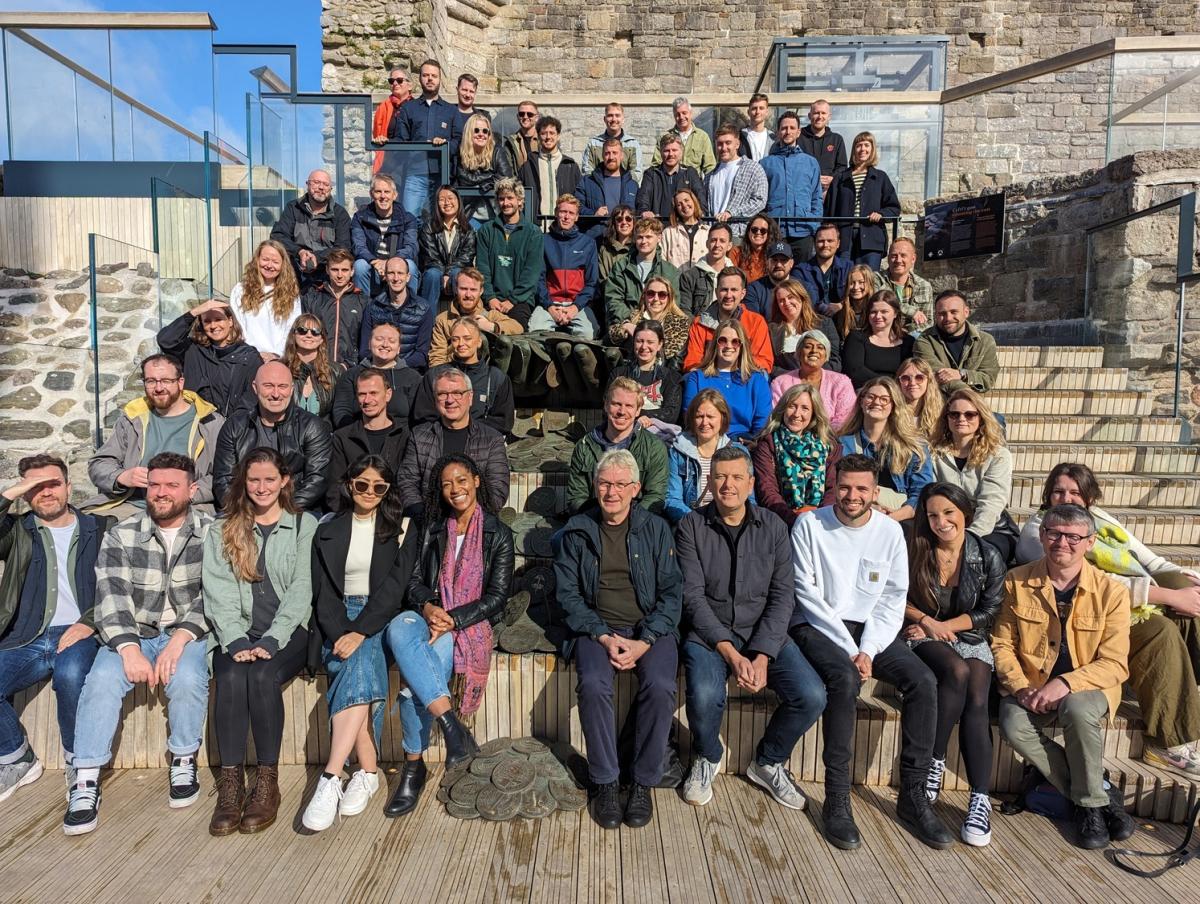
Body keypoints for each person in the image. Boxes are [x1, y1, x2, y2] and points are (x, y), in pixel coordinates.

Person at [789, 453, 953, 851]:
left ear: (875, 491)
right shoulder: (810, 524)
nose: (852, 495)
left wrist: (868, 648)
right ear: (834, 485)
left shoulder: (889, 532)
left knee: (923, 681)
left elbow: (892, 599)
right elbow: (807, 595)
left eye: (862, 488)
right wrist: (851, 650)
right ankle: (837, 798)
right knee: (843, 680)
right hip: (819, 626)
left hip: (872, 632)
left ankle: (913, 796)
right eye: (845, 486)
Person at [1016, 463, 1200, 778]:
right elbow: (1090, 585)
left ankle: (1185, 707)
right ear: (1047, 495)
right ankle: (1168, 743)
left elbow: (1151, 561)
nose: (1066, 498)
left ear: (1089, 498)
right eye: (1059, 491)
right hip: (1084, 618)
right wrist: (1169, 597)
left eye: (1075, 492)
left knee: (1192, 607)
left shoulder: (1101, 522)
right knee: (1160, 631)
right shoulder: (1040, 531)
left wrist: (1190, 585)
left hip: (1130, 602)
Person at [63, 453, 212, 836]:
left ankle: (183, 758)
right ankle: (86, 778)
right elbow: (111, 595)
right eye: (155, 485)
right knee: (101, 681)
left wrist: (179, 639)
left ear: (192, 490)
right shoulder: (122, 533)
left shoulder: (214, 533)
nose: (161, 493)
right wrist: (128, 649)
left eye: (172, 486)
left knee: (189, 676)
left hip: (187, 632)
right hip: (134, 633)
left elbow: (214, 595)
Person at [677, 445, 826, 810]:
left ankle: (769, 761)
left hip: (763, 631)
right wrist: (729, 653)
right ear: (709, 482)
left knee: (812, 695)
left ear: (751, 482)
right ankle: (707, 755)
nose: (728, 485)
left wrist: (761, 657)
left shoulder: (773, 527)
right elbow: (692, 598)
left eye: (736, 477)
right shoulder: (691, 526)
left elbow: (782, 596)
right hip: (709, 634)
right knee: (704, 693)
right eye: (720, 477)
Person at [993, 504, 1134, 850]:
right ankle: (1100, 793)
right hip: (1032, 683)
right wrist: (1020, 686)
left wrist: (1067, 682)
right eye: (1054, 533)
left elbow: (1115, 663)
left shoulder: (1112, 592)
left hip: (1090, 686)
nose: (1062, 542)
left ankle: (1087, 807)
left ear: (1090, 542)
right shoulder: (1017, 581)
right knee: (1012, 722)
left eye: (1073, 537)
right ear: (1042, 536)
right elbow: (1001, 643)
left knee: (1077, 708)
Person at [556, 449, 682, 830]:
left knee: (660, 686)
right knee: (593, 686)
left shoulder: (656, 529)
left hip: (651, 629)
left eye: (620, 484)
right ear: (595, 487)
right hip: (597, 629)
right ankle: (606, 781)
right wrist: (602, 636)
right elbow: (568, 596)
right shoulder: (578, 530)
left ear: (636, 489)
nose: (612, 492)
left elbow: (672, 593)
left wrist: (646, 640)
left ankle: (643, 782)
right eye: (605, 483)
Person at [384, 454, 513, 817]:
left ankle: (413, 765)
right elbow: (411, 580)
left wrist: (453, 619)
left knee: (413, 689)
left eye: (461, 480)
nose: (454, 489)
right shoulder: (430, 525)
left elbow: (497, 597)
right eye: (446, 484)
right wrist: (428, 608)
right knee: (397, 627)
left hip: (466, 623)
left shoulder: (498, 534)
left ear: (475, 480)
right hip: (427, 615)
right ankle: (451, 724)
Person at [202, 448, 316, 836]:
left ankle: (267, 781)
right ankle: (231, 786)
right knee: (233, 678)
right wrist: (234, 639)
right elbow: (217, 589)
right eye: (254, 480)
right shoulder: (223, 529)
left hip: (288, 633)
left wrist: (272, 637)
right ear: (244, 483)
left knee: (263, 676)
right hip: (237, 632)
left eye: (270, 479)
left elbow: (302, 590)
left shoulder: (303, 525)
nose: (262, 487)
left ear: (284, 480)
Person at [303, 457, 418, 831]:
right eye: (362, 484)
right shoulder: (327, 528)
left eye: (379, 487)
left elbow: (394, 590)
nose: (370, 492)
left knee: (361, 658)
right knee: (359, 671)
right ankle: (368, 770)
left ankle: (331, 775)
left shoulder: (402, 528)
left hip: (378, 618)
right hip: (336, 619)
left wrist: (361, 631)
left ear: (388, 491)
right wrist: (340, 632)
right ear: (349, 484)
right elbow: (323, 594)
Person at [902, 483, 1005, 846]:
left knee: (978, 695)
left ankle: (980, 797)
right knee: (957, 672)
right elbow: (894, 594)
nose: (941, 522)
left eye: (948, 513)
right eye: (932, 515)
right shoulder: (914, 546)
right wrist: (930, 623)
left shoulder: (986, 554)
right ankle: (934, 761)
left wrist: (949, 626)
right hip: (920, 632)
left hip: (969, 636)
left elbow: (989, 610)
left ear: (965, 513)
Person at [0, 455, 106, 803]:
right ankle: (17, 757)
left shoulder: (99, 528)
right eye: (35, 486)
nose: (46, 492)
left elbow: (121, 585)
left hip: (79, 632)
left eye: (53, 483)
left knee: (71, 675)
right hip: (26, 636)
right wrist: (11, 493)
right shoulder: (17, 531)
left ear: (69, 486)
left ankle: (80, 762)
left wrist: (89, 621)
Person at [85, 353, 223, 517]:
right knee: (86, 526)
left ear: (180, 382)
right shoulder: (132, 419)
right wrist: (121, 477)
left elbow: (225, 474)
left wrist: (189, 492)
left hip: (188, 507)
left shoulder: (210, 422)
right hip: (133, 505)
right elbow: (99, 463)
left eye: (166, 380)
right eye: (151, 381)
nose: (158, 388)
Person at [212, 361, 333, 512]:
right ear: (255, 388)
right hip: (243, 512)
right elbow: (223, 480)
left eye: (282, 386)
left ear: (291, 389)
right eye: (268, 386)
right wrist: (246, 512)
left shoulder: (312, 426)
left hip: (294, 510)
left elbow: (317, 480)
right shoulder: (235, 426)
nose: (276, 394)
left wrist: (279, 512)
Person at [398, 366, 510, 519]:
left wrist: (467, 517)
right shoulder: (419, 436)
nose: (450, 400)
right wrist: (425, 516)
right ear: (435, 399)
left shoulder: (492, 439)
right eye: (443, 394)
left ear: (470, 397)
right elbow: (407, 482)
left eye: (457, 393)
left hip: (476, 524)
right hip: (427, 523)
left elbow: (498, 490)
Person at [929, 389, 1015, 561]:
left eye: (970, 415)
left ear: (980, 418)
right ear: (946, 418)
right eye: (954, 414)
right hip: (945, 522)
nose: (961, 419)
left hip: (991, 527)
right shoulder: (933, 454)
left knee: (979, 555)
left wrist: (968, 537)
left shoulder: (998, 455)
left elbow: (991, 504)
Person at [565, 377, 669, 515]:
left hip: (638, 524)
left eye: (629, 406)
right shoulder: (584, 447)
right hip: (592, 521)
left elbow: (655, 497)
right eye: (616, 404)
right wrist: (604, 520)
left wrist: (625, 521)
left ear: (638, 410)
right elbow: (576, 499)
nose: (622, 411)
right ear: (606, 405)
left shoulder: (654, 448)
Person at [838, 377, 933, 524]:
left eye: (884, 399)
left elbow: (922, 490)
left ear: (893, 405)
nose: (876, 403)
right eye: (871, 397)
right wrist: (869, 510)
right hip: (855, 513)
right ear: (861, 401)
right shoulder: (843, 444)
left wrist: (894, 517)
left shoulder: (915, 447)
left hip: (901, 517)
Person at [752, 383, 841, 526]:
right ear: (782, 409)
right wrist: (796, 520)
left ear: (813, 413)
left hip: (822, 522)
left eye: (805, 408)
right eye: (792, 406)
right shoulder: (767, 444)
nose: (796, 414)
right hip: (782, 522)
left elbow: (833, 487)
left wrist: (821, 519)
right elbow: (767, 491)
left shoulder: (829, 446)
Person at [156, 299, 260, 417]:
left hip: (232, 427)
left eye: (218, 319)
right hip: (196, 423)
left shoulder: (248, 356)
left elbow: (252, 398)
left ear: (230, 321)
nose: (213, 326)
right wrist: (194, 312)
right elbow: (165, 340)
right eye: (207, 321)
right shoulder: (192, 350)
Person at [326, 368, 411, 512]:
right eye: (362, 394)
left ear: (388, 394)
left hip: (394, 516)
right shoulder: (343, 437)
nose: (367, 400)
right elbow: (335, 488)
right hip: (353, 516)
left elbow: (407, 485)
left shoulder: (405, 436)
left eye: (373, 393)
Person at [413, 317, 514, 435]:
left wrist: (468, 429)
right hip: (441, 441)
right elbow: (422, 416)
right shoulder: (435, 375)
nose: (461, 344)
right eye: (455, 339)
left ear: (479, 342)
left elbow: (504, 422)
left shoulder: (497, 378)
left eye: (467, 338)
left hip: (482, 444)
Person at [663, 389, 745, 524]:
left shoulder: (738, 453)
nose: (704, 422)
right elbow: (672, 499)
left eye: (710, 417)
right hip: (692, 522)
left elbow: (748, 497)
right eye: (699, 416)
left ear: (722, 418)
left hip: (730, 522)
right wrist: (699, 523)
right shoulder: (678, 452)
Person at [681, 320, 771, 444]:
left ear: (742, 346)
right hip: (705, 441)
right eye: (722, 340)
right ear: (715, 344)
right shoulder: (697, 378)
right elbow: (690, 417)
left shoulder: (757, 380)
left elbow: (762, 424)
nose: (729, 346)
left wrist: (748, 442)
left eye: (735, 342)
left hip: (744, 444)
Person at [476, 177, 544, 330]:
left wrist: (512, 300)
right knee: (477, 327)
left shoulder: (533, 233)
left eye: (510, 198)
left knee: (516, 331)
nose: (505, 203)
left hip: (520, 301)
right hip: (491, 300)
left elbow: (531, 274)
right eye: (501, 199)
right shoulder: (486, 231)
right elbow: (482, 268)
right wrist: (490, 297)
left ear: (520, 201)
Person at [825, 131, 900, 271]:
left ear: (872, 149)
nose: (863, 149)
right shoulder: (840, 178)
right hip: (843, 239)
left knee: (869, 281)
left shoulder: (880, 178)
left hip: (871, 239)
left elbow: (894, 208)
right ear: (854, 149)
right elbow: (829, 210)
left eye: (867, 145)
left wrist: (881, 214)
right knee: (842, 280)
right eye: (859, 145)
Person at [391, 59, 455, 217]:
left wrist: (445, 145)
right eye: (426, 75)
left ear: (440, 79)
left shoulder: (451, 111)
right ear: (419, 78)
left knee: (441, 220)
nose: (430, 79)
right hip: (415, 173)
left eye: (434, 75)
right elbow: (400, 141)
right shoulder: (408, 108)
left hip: (443, 175)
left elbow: (458, 142)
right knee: (410, 218)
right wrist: (384, 142)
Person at [331, 322, 422, 430]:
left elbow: (418, 416)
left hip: (402, 439)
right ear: (369, 343)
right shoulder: (351, 375)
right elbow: (341, 411)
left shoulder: (413, 378)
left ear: (398, 348)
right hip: (358, 437)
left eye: (392, 341)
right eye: (379, 339)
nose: (385, 344)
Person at [531, 194, 600, 337]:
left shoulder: (588, 243)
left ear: (577, 217)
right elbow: (539, 279)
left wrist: (576, 307)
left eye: (571, 213)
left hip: (577, 305)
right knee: (535, 330)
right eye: (563, 212)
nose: (566, 217)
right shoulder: (544, 241)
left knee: (588, 333)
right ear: (556, 213)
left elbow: (592, 283)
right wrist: (549, 306)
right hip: (550, 304)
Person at [269, 169, 352, 287]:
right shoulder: (293, 208)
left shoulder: (339, 214)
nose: (321, 187)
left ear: (330, 189)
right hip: (296, 267)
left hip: (327, 269)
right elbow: (278, 236)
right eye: (317, 182)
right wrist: (300, 252)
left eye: (326, 184)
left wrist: (317, 258)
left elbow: (343, 246)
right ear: (307, 184)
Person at [683, 267, 773, 374]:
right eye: (724, 290)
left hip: (743, 378)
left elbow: (764, 362)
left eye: (734, 290)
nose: (728, 295)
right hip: (710, 377)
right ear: (716, 292)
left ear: (743, 294)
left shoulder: (756, 322)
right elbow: (692, 362)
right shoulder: (700, 323)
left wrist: (732, 366)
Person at [760, 112, 823, 263]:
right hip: (775, 231)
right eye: (784, 128)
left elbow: (816, 197)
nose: (788, 132)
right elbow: (760, 199)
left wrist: (814, 225)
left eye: (792, 128)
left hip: (803, 230)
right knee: (775, 275)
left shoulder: (811, 163)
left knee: (802, 278)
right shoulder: (765, 164)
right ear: (777, 132)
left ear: (798, 132)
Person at [428, 268, 523, 367]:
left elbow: (517, 327)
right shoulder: (443, 320)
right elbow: (436, 358)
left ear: (481, 291)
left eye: (473, 290)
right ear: (456, 289)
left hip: (483, 374)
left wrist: (491, 326)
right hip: (453, 372)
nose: (468, 295)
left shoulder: (490, 315)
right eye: (463, 289)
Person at [604, 219, 681, 338]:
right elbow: (613, 299)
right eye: (640, 237)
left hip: (658, 326)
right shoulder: (621, 266)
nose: (643, 241)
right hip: (626, 324)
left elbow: (674, 303)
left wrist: (651, 325)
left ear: (659, 238)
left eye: (648, 237)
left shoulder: (670, 271)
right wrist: (632, 321)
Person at [914, 291, 1000, 395]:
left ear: (966, 312)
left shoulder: (985, 341)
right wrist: (968, 397)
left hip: (971, 409)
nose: (948, 318)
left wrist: (962, 374)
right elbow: (939, 376)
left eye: (954, 312)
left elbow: (988, 379)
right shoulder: (924, 340)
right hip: (937, 406)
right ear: (935, 315)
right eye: (942, 314)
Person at [228, 240, 302, 359]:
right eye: (265, 259)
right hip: (247, 357)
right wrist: (252, 353)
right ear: (257, 260)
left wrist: (276, 354)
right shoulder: (240, 290)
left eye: (275, 262)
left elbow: (292, 327)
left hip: (278, 359)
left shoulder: (291, 294)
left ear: (283, 265)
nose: (269, 265)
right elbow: (237, 325)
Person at [768, 329, 856, 430]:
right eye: (808, 346)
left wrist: (819, 438)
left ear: (826, 355)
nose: (814, 351)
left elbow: (844, 420)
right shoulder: (780, 382)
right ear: (799, 353)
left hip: (831, 440)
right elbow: (776, 416)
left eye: (820, 347)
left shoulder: (841, 383)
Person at [350, 174, 420, 299]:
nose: (383, 196)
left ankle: (410, 310)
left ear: (394, 195)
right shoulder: (360, 217)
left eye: (387, 192)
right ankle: (363, 310)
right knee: (359, 266)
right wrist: (374, 261)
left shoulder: (408, 219)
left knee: (411, 266)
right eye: (378, 192)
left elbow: (411, 247)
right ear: (372, 194)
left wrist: (391, 263)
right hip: (372, 266)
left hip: (396, 267)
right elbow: (358, 246)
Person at [357, 256, 435, 368]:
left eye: (400, 273)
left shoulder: (423, 309)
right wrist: (382, 365)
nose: (396, 278)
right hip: (377, 369)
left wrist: (397, 367)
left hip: (409, 371)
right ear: (385, 276)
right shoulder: (373, 307)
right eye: (391, 273)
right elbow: (364, 350)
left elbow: (422, 354)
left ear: (408, 277)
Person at [608, 320, 683, 431]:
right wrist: (638, 416)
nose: (644, 346)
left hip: (657, 436)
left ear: (660, 344)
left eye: (650, 342)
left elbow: (671, 414)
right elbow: (608, 407)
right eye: (639, 341)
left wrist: (642, 416)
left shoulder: (672, 377)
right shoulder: (619, 374)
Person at [302, 248, 366, 368]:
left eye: (345, 270)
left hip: (349, 368)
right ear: (327, 270)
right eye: (335, 270)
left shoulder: (362, 301)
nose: (340, 275)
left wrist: (350, 364)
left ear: (352, 271)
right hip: (318, 366)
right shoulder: (312, 298)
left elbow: (364, 342)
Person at [607, 276, 691, 370]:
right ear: (644, 296)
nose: (656, 299)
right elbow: (612, 337)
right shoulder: (634, 317)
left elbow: (676, 361)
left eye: (662, 294)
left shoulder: (680, 322)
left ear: (669, 298)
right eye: (651, 293)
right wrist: (626, 326)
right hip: (632, 370)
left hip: (664, 373)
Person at [841, 289, 916, 389]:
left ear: (895, 314)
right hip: (865, 392)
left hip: (899, 394)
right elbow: (855, 371)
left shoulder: (908, 342)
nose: (878, 316)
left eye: (884, 311)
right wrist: (888, 385)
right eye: (873, 312)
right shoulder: (856, 338)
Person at [517, 115, 582, 228]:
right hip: (536, 228)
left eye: (552, 133)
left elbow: (579, 198)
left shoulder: (571, 166)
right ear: (538, 135)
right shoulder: (527, 167)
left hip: (564, 228)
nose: (548, 137)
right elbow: (519, 198)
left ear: (558, 136)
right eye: (543, 133)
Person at [767, 279, 842, 376]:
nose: (786, 302)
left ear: (801, 298)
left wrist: (811, 375)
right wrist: (794, 377)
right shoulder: (771, 330)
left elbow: (835, 362)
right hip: (787, 384)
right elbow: (770, 365)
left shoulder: (825, 323)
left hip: (820, 381)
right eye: (781, 300)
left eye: (791, 297)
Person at [705, 124, 767, 240]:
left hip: (738, 233)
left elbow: (760, 200)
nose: (723, 148)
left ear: (737, 144)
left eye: (728, 143)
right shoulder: (710, 175)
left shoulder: (753, 169)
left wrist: (732, 212)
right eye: (720, 144)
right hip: (713, 235)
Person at [417, 185, 477, 305]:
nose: (447, 202)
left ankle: (461, 318)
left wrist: (448, 273)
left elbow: (466, 257)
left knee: (458, 274)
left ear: (458, 201)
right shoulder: (428, 227)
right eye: (442, 199)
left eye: (450, 198)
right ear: (437, 204)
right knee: (432, 274)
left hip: (455, 272)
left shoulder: (468, 229)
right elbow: (431, 257)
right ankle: (428, 320)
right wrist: (443, 274)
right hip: (435, 272)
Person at [452, 112, 513, 225]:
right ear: (469, 133)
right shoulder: (461, 153)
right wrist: (491, 177)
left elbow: (506, 178)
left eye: (485, 131)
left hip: (496, 213)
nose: (481, 134)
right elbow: (464, 179)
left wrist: (486, 184)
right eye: (476, 130)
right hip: (470, 213)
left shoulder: (497, 151)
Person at [281, 313, 341, 420]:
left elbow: (339, 412)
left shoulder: (336, 371)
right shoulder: (280, 368)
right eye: (302, 330)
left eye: (315, 332)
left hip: (323, 434)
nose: (309, 335)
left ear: (322, 339)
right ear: (293, 335)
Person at [577, 137, 639, 241]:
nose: (611, 157)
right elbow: (577, 206)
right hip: (595, 238)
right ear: (602, 156)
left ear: (622, 156)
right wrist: (593, 214)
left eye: (615, 153)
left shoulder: (632, 185)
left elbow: (638, 211)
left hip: (624, 240)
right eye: (607, 153)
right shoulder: (587, 181)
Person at [636, 133, 707, 221]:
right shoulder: (651, 174)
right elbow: (644, 197)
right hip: (658, 228)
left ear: (681, 152)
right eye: (666, 150)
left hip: (684, 227)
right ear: (661, 152)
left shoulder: (690, 173)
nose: (671, 154)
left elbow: (701, 199)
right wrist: (644, 211)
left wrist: (700, 216)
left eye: (674, 150)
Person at [874, 238, 933, 333]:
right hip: (880, 333)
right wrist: (911, 311)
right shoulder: (876, 279)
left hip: (910, 337)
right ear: (888, 258)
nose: (898, 260)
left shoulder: (923, 286)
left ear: (913, 259)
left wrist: (904, 333)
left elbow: (927, 322)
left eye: (903, 255)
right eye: (894, 255)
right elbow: (879, 304)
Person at [678, 224, 735, 318]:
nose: (717, 245)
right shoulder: (689, 276)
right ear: (707, 243)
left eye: (722, 241)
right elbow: (684, 311)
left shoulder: (737, 277)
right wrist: (700, 329)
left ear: (729, 246)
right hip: (699, 329)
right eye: (713, 240)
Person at [650, 97, 716, 175]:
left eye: (684, 113)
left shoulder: (702, 137)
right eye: (677, 114)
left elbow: (710, 167)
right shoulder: (664, 138)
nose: (681, 117)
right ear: (674, 116)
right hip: (669, 184)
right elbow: (656, 165)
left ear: (691, 113)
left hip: (693, 185)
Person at [796, 223, 851, 316]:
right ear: (814, 243)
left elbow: (858, 296)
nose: (825, 245)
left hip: (843, 319)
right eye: (821, 241)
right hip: (812, 319)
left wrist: (842, 305)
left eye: (830, 241)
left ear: (838, 244)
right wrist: (823, 308)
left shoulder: (849, 268)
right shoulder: (800, 271)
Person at [798, 100, 848, 196]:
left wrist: (833, 178)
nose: (820, 117)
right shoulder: (799, 137)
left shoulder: (837, 139)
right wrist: (814, 179)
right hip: (803, 192)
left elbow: (842, 167)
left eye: (823, 113)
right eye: (816, 113)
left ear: (829, 117)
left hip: (829, 192)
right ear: (809, 116)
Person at [581, 103, 643, 179]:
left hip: (625, 189)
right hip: (598, 188)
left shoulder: (633, 144)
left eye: (617, 115)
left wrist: (622, 186)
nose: (614, 119)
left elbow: (636, 172)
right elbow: (587, 171)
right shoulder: (593, 144)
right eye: (610, 115)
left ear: (623, 119)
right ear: (604, 119)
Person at [744, 241, 801, 321]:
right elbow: (754, 323)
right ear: (767, 262)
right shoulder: (754, 289)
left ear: (791, 263)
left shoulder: (803, 288)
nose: (778, 265)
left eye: (783, 260)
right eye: (774, 260)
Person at [371, 67, 411, 173]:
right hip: (388, 162)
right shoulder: (383, 107)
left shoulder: (416, 107)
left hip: (410, 162)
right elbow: (376, 134)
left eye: (399, 80)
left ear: (409, 85)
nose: (395, 83)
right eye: (391, 81)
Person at [660, 188, 710, 269]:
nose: (684, 205)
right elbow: (662, 261)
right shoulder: (668, 233)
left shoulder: (708, 231)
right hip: (675, 280)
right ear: (676, 209)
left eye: (686, 200)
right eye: (679, 204)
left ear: (694, 201)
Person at [897, 357, 945, 439]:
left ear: (929, 381)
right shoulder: (891, 415)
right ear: (899, 382)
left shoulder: (941, 416)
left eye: (919, 377)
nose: (912, 383)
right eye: (905, 378)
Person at [729, 213, 778, 285]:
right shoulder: (736, 252)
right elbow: (732, 279)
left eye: (763, 230)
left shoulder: (774, 254)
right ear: (748, 232)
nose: (758, 233)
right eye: (754, 229)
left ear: (768, 234)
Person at [448, 73, 489, 159]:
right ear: (457, 89)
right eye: (464, 90)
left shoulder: (484, 117)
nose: (467, 95)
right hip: (451, 167)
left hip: (475, 166)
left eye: (471, 91)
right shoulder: (446, 114)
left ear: (475, 93)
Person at [832, 263, 875, 339]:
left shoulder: (875, 312)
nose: (855, 287)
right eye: (852, 283)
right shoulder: (841, 314)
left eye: (861, 282)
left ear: (870, 284)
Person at [597, 206, 635, 284]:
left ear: (633, 222)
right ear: (614, 223)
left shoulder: (639, 247)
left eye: (628, 219)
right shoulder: (605, 250)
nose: (624, 222)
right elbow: (603, 280)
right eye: (619, 219)